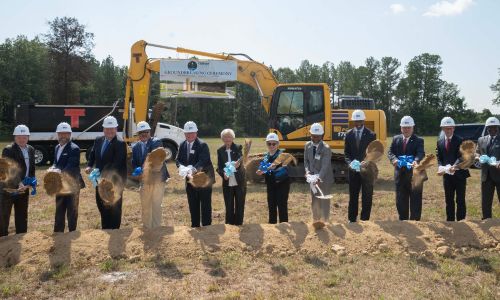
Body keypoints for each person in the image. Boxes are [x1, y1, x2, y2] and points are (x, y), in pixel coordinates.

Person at [85, 116, 127, 229]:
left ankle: (114, 230)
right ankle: (105, 228)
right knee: (101, 204)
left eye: (112, 128)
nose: (109, 131)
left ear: (116, 128)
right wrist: (89, 165)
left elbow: (117, 164)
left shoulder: (120, 143)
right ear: (103, 129)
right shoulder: (98, 140)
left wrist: (101, 174)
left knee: (114, 206)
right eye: (107, 128)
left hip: (114, 182)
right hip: (100, 180)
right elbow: (93, 154)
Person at [176, 121, 215, 228]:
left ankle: (207, 227)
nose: (190, 135)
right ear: (184, 134)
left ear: (196, 133)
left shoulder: (203, 145)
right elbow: (178, 160)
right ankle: (195, 226)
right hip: (190, 180)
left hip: (204, 179)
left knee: (205, 204)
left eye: (192, 133)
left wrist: (192, 170)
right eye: (187, 133)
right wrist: (181, 167)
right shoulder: (182, 144)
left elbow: (203, 161)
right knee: (193, 204)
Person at [131, 121, 170, 229]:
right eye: (141, 132)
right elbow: (134, 162)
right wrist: (136, 170)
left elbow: (156, 159)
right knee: (145, 205)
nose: (143, 134)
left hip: (157, 180)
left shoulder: (156, 142)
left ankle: (156, 228)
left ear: (150, 132)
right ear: (138, 134)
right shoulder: (136, 147)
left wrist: (144, 168)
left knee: (156, 204)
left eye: (146, 132)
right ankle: (147, 228)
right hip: (144, 180)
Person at [0, 125, 35, 236]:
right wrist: (19, 183)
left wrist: (32, 181)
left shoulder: (31, 149)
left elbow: (31, 168)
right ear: (15, 137)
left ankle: (21, 236)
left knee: (22, 214)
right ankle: (3, 239)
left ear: (28, 137)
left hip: (23, 188)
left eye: (24, 137)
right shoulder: (8, 150)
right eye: (19, 137)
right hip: (9, 188)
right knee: (4, 215)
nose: (22, 139)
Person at [388, 116, 425, 221]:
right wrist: (394, 159)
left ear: (413, 128)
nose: (406, 129)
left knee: (415, 201)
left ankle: (415, 222)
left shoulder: (419, 140)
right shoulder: (396, 139)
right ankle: (403, 222)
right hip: (400, 175)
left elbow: (420, 152)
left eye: (409, 127)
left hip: (414, 176)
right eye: (404, 127)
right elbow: (390, 152)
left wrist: (416, 160)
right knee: (401, 201)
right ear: (401, 128)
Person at [52, 122, 85, 232]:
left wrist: (58, 172)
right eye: (61, 134)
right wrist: (52, 169)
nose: (63, 136)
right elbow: (56, 163)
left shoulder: (74, 148)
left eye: (66, 134)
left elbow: (71, 166)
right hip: (60, 185)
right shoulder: (57, 147)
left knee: (72, 210)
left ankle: (72, 232)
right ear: (57, 134)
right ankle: (58, 232)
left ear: (70, 135)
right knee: (59, 208)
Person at [344, 110, 376, 222]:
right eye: (355, 120)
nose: (358, 123)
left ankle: (365, 220)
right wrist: (350, 163)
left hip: (367, 171)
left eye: (360, 120)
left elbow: (373, 153)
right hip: (353, 170)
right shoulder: (348, 135)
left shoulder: (371, 135)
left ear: (363, 120)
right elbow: (346, 153)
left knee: (367, 196)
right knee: (353, 196)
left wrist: (367, 161)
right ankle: (352, 219)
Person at [436, 117, 470, 221]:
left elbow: (462, 156)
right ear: (442, 129)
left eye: (450, 128)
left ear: (454, 128)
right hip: (447, 176)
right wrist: (440, 168)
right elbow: (439, 157)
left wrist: (454, 166)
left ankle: (461, 221)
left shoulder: (460, 140)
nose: (448, 130)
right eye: (446, 128)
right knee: (449, 200)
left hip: (460, 175)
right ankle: (450, 221)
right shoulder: (440, 142)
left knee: (460, 200)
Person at [256, 133, 290, 224]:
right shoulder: (266, 156)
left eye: (273, 144)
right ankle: (272, 226)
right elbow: (262, 168)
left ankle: (284, 225)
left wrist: (274, 168)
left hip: (282, 184)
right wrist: (260, 171)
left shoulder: (282, 154)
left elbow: (285, 170)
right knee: (271, 205)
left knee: (281, 205)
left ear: (278, 144)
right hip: (270, 184)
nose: (271, 146)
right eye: (269, 144)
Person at [304, 123, 333, 227]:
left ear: (322, 136)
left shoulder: (326, 148)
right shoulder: (307, 145)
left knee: (324, 200)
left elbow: (325, 166)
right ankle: (316, 220)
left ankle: (325, 221)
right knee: (315, 198)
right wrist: (307, 172)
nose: (314, 138)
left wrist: (319, 178)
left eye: (317, 136)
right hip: (313, 178)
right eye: (312, 136)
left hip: (324, 178)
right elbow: (306, 161)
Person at [216, 129, 246, 225]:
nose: (227, 139)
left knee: (239, 203)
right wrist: (223, 174)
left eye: (229, 137)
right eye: (225, 137)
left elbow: (240, 161)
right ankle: (229, 224)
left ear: (233, 138)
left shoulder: (238, 147)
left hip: (239, 180)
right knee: (228, 204)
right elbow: (219, 167)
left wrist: (238, 164)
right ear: (222, 139)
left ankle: (239, 223)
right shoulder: (220, 150)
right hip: (227, 180)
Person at [476, 116, 500, 219]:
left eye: (494, 127)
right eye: (489, 128)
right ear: (487, 128)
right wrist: (478, 157)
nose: (492, 130)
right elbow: (477, 152)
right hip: (486, 176)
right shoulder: (481, 140)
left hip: (499, 175)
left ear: (498, 127)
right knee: (486, 201)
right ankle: (486, 221)